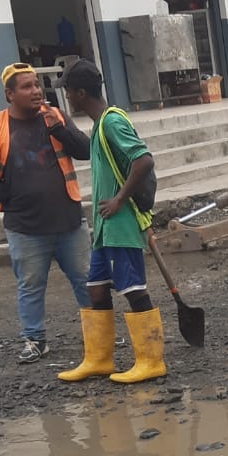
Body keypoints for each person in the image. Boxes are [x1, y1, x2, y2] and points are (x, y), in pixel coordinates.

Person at [0, 62, 91, 363]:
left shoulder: (55, 116)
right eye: (27, 87)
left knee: (85, 279)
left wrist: (60, 130)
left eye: (37, 85)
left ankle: (98, 333)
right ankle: (35, 339)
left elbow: (85, 150)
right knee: (30, 285)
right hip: (25, 227)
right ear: (10, 95)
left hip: (68, 221)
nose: (36, 91)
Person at [56, 57, 166, 384]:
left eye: (68, 92)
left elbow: (143, 160)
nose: (67, 97)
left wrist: (119, 199)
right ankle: (98, 359)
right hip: (105, 227)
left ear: (80, 93)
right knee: (96, 288)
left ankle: (151, 361)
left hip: (120, 224)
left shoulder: (111, 123)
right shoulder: (99, 124)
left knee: (132, 288)